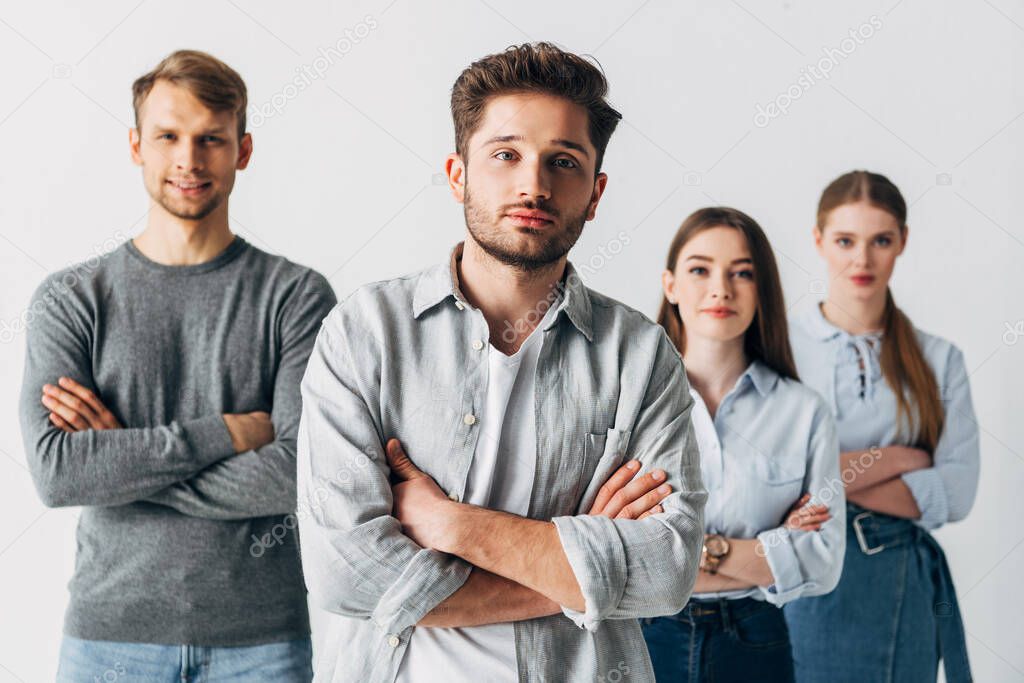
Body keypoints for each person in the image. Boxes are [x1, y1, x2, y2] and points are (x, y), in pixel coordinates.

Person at [296, 42, 707, 682]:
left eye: (562, 162)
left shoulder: (640, 355)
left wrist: (450, 524)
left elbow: (669, 569)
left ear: (595, 194)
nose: (533, 185)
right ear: (458, 173)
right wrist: (574, 578)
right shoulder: (364, 334)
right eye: (506, 154)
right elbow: (346, 574)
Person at [19, 50, 337, 681]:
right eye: (168, 137)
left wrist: (120, 463)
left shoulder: (298, 296)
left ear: (242, 150)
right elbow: (58, 473)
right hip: (109, 639)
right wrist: (226, 433)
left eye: (210, 140)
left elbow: (301, 476)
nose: (189, 161)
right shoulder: (70, 298)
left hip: (261, 643)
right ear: (137, 145)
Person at [783, 170, 980, 682]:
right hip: (797, 575)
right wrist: (897, 459)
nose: (862, 259)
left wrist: (828, 480)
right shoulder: (778, 347)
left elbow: (956, 492)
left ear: (902, 243)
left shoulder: (941, 360)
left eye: (881, 241)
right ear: (819, 241)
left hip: (899, 586)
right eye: (846, 240)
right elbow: (778, 484)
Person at [641, 207, 845, 682]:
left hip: (755, 642)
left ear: (761, 290)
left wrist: (692, 552)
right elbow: (616, 557)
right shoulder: (630, 406)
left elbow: (823, 561)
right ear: (670, 285)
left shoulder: (804, 412)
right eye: (700, 270)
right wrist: (764, 553)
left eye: (742, 273)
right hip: (644, 636)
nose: (721, 289)